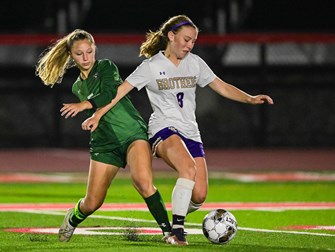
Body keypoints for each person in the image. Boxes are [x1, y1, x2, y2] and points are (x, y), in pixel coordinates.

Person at [82, 15, 274, 246]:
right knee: (188, 168)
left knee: (200, 194)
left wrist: (250, 98)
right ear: (171, 36)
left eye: (193, 41)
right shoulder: (151, 66)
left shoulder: (195, 63)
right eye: (185, 39)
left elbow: (221, 85)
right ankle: (177, 231)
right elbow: (119, 92)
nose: (189, 45)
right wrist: (97, 114)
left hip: (190, 131)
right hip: (163, 128)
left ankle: (177, 214)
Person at [35, 29, 172, 242]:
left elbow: (110, 92)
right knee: (92, 203)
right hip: (104, 143)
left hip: (132, 134)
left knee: (143, 181)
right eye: (79, 54)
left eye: (89, 51)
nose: (86, 57)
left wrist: (85, 106)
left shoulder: (106, 67)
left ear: (94, 49)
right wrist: (92, 116)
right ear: (71, 55)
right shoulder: (77, 87)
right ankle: (72, 219)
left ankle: (169, 232)